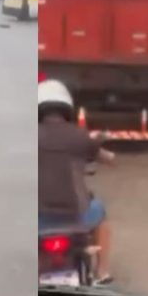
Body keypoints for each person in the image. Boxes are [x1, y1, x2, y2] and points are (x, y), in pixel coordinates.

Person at [38, 79, 115, 284]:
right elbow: (108, 159)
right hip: (76, 217)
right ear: (66, 109)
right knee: (101, 212)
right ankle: (102, 272)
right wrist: (99, 146)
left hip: (38, 220)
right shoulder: (79, 136)